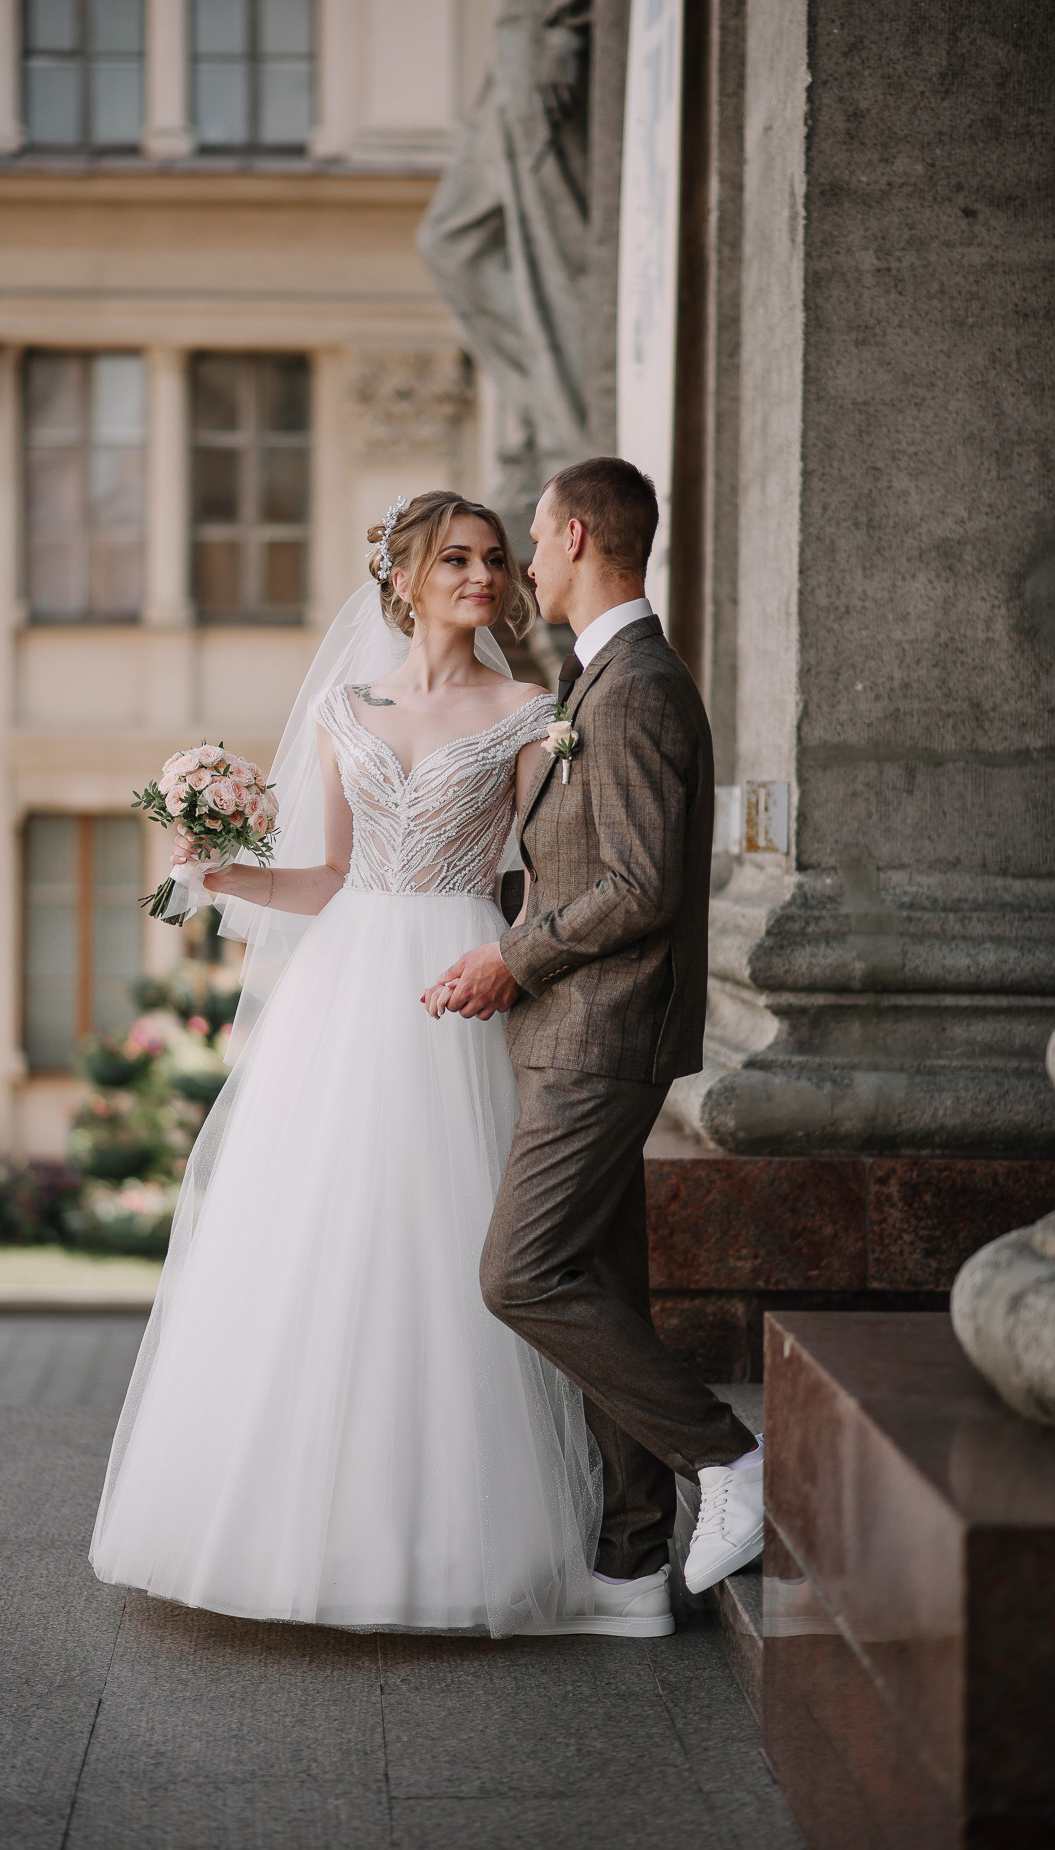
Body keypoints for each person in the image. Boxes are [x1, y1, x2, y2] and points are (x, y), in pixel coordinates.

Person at [88, 491, 619, 1638]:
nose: (483, 575)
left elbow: (554, 871)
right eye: (458, 559)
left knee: (445, 1241)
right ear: (406, 577)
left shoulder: (531, 709)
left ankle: (457, 1543)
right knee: (317, 1243)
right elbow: (327, 876)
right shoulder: (343, 704)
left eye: (493, 558)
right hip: (346, 985)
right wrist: (225, 875)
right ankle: (298, 1537)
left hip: (461, 972)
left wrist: (519, 965)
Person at [425, 457, 765, 1627]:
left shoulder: (632, 689)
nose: (521, 561)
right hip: (576, 1030)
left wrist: (507, 957)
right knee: (601, 1277)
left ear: (574, 535)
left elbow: (636, 884)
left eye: (529, 537)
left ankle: (725, 1458)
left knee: (517, 1274)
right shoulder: (599, 676)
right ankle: (629, 1563)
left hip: (596, 1030)